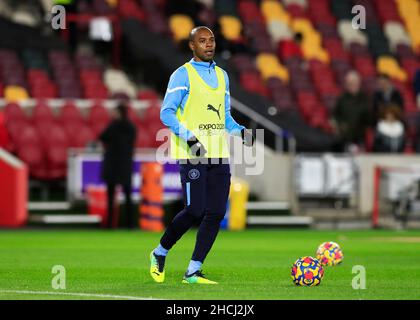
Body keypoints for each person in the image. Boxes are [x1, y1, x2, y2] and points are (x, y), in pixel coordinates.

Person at [149, 26, 254, 284]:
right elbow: (167, 113)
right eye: (202, 41)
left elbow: (225, 116)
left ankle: (193, 270)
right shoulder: (181, 75)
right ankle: (160, 252)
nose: (209, 44)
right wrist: (190, 138)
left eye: (212, 40)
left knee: (217, 213)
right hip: (192, 153)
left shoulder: (222, 75)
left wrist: (241, 132)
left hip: (219, 154)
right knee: (195, 209)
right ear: (192, 46)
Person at [99, 103, 137, 229]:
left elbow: (102, 137)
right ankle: (130, 224)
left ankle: (110, 224)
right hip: (125, 164)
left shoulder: (113, 126)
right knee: (127, 196)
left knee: (111, 196)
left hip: (113, 164)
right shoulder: (131, 127)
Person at [332, 70, 371, 151]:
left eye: (354, 82)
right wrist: (340, 124)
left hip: (360, 137)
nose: (352, 85)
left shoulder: (365, 98)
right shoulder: (342, 98)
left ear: (358, 83)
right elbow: (335, 115)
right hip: (345, 138)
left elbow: (370, 118)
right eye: (349, 83)